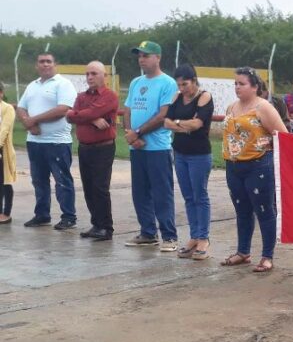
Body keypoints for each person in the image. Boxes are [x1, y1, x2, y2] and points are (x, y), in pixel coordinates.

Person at [221, 67, 287, 272]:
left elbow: (282, 135)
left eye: (242, 84)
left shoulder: (263, 107)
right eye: (235, 84)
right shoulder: (232, 107)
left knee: (265, 211)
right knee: (242, 210)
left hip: (258, 165)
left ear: (255, 87)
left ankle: (267, 256)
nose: (237, 87)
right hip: (233, 165)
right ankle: (243, 251)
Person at [123, 41, 179, 251]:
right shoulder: (136, 82)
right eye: (139, 56)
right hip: (136, 147)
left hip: (157, 147)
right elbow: (127, 110)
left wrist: (138, 133)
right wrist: (130, 134)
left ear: (157, 58)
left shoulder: (168, 83)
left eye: (146, 56)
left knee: (161, 193)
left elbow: (163, 114)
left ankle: (169, 236)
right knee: (140, 192)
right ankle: (148, 232)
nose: (141, 59)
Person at [16, 52, 78, 229]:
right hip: (35, 142)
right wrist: (28, 124)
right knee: (38, 180)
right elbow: (21, 107)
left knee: (62, 180)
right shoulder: (32, 85)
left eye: (48, 61)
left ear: (55, 64)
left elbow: (62, 109)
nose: (45, 64)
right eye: (41, 62)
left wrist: (34, 120)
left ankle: (68, 216)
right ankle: (42, 214)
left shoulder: (63, 84)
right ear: (37, 66)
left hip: (57, 142)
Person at [164, 65, 214, 260]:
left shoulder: (204, 97)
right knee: (188, 196)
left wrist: (177, 123)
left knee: (199, 195)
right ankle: (194, 236)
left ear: (194, 80)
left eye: (185, 84)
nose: (182, 88)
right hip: (180, 152)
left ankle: (203, 238)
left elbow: (198, 124)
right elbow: (166, 122)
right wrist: (182, 125)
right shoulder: (177, 97)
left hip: (199, 154)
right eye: (179, 84)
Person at [66, 61, 119, 240]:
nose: (90, 77)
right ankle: (96, 224)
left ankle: (106, 227)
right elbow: (69, 116)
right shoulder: (82, 96)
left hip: (102, 148)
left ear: (104, 75)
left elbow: (81, 114)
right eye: (87, 74)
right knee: (88, 187)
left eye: (94, 73)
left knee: (100, 187)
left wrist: (84, 116)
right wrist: (92, 119)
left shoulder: (110, 96)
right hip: (85, 148)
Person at [0, 82, 16, 225]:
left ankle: (5, 213)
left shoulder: (7, 108)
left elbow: (4, 130)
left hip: (3, 150)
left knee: (4, 182)